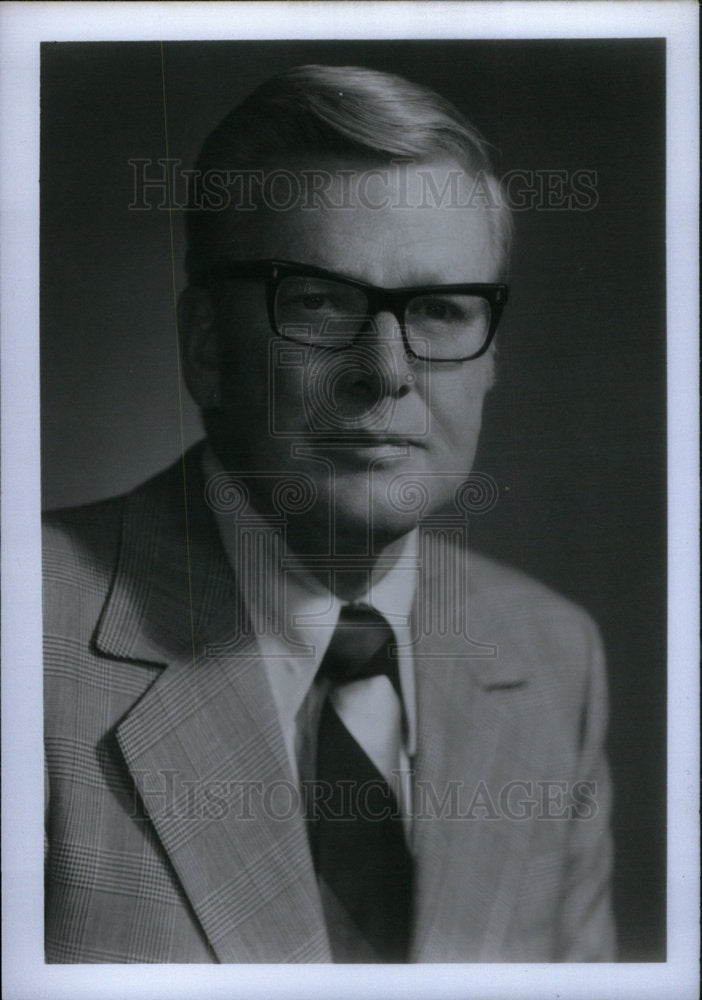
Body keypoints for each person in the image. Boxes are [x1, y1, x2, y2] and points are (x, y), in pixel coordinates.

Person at [43, 64, 616, 963]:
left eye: (438, 308)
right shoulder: (26, 632)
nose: (385, 370)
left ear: (491, 357)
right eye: (318, 301)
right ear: (206, 350)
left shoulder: (553, 654)